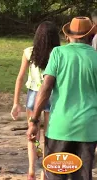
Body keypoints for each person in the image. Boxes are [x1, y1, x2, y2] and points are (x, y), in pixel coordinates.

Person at [27, 17, 97, 180]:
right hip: (87, 129)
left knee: (55, 175)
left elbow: (45, 88)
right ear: (91, 36)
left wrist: (34, 121)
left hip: (60, 127)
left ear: (68, 36)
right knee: (82, 176)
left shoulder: (58, 53)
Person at [11, 21, 60, 180]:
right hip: (52, 94)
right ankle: (44, 172)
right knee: (48, 136)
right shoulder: (58, 53)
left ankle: (31, 169)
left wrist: (16, 102)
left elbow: (19, 78)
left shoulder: (29, 52)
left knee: (32, 134)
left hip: (33, 95)